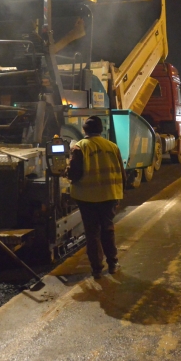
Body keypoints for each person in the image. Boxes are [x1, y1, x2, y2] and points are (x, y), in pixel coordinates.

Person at [67, 116, 126, 279]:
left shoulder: (80, 147)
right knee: (108, 229)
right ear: (100, 130)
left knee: (92, 233)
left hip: (87, 198)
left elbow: (74, 174)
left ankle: (97, 269)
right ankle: (113, 263)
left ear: (84, 130)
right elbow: (121, 172)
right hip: (109, 195)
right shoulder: (112, 146)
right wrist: (119, 194)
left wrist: (66, 172)